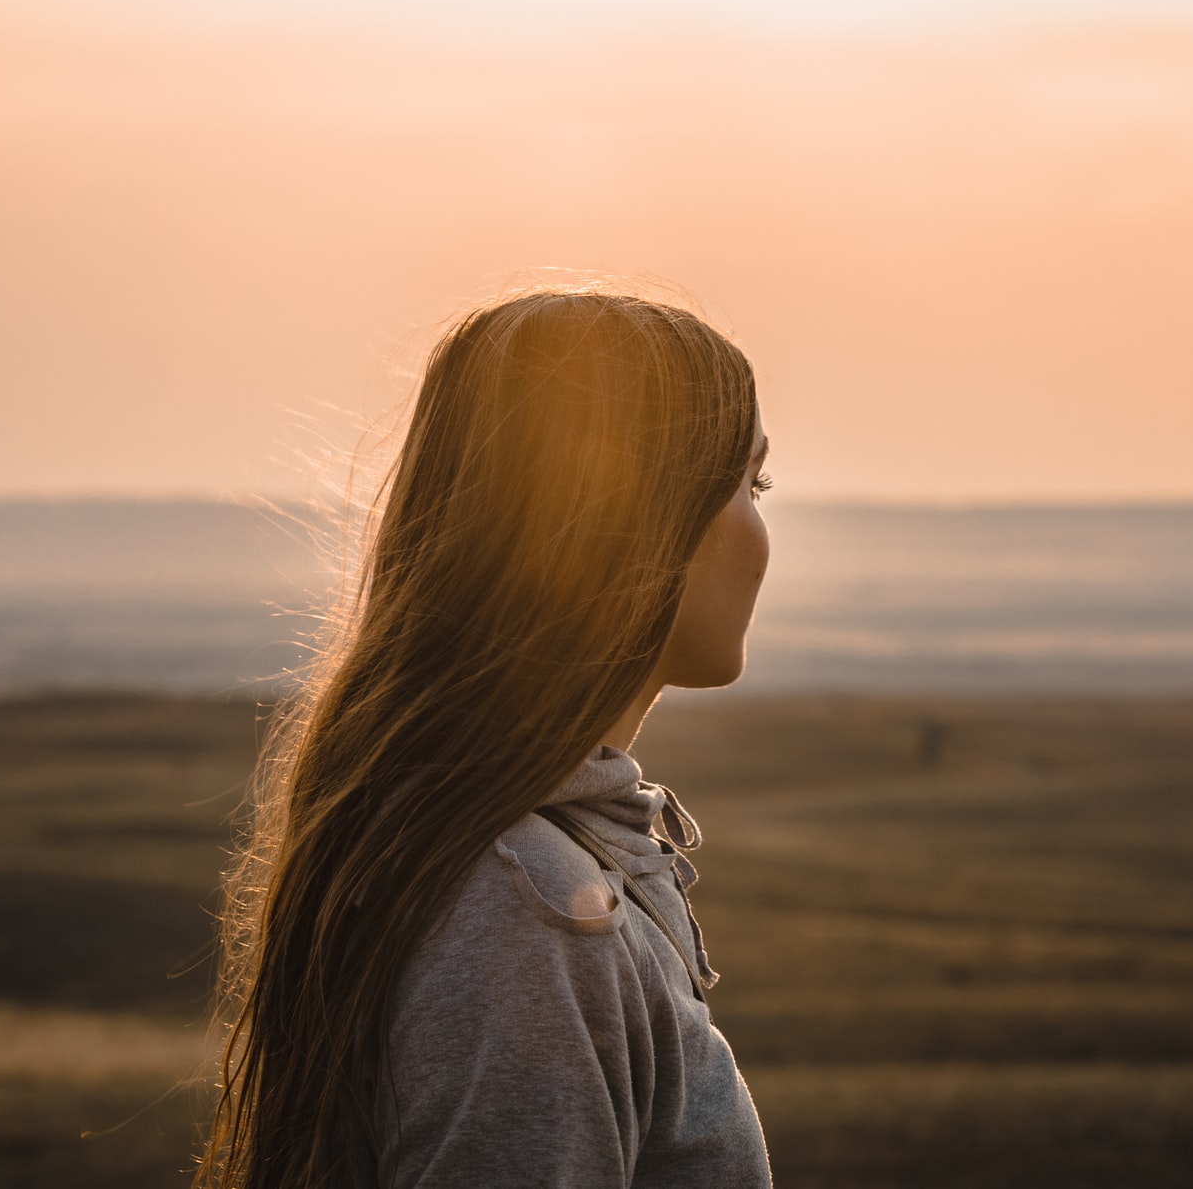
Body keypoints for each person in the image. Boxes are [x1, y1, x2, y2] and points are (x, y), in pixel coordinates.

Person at [198, 287, 775, 1188]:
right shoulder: (529, 912)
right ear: (643, 519)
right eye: (751, 482)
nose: (762, 530)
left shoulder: (525, 866)